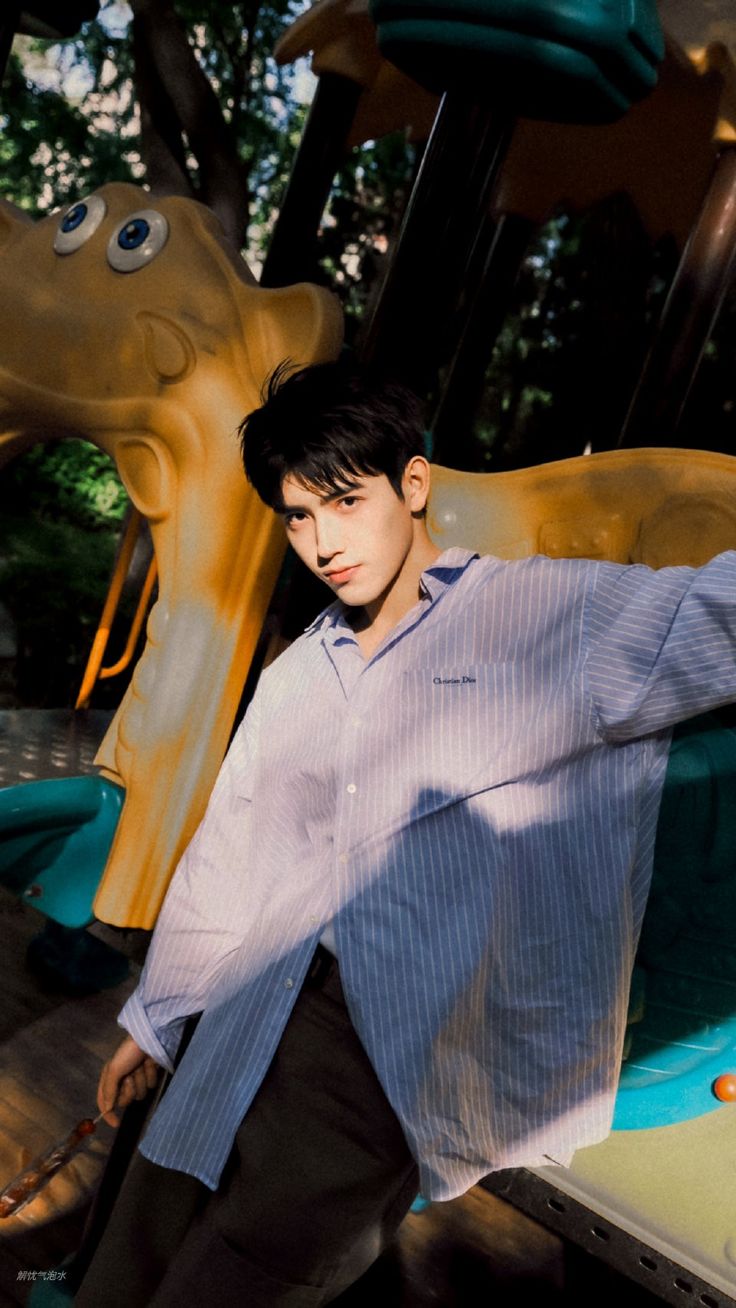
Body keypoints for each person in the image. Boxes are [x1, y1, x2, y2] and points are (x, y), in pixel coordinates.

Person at [76, 358, 736, 1306]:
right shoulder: (301, 673)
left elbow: (722, 612)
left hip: (391, 1045)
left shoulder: (552, 614)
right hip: (253, 1002)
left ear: (413, 484)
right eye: (297, 516)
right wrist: (157, 1013)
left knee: (246, 1279)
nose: (321, 543)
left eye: (344, 503)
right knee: (135, 1246)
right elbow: (234, 853)